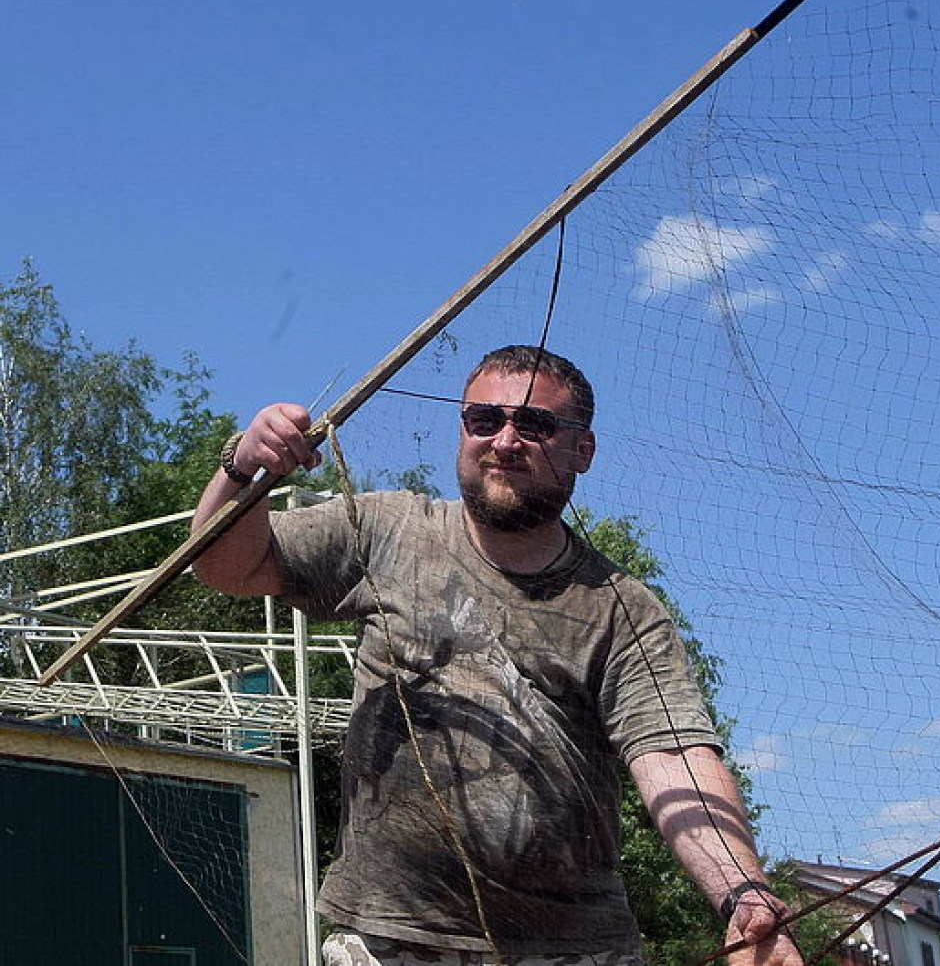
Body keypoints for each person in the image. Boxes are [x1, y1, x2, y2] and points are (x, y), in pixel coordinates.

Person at [192, 345, 805, 966]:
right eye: (484, 420)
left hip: (574, 951)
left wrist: (743, 894)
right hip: (391, 941)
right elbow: (227, 566)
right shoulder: (388, 530)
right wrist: (242, 471)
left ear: (583, 451)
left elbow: (673, 756)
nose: (505, 440)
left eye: (535, 425)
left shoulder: (622, 607)